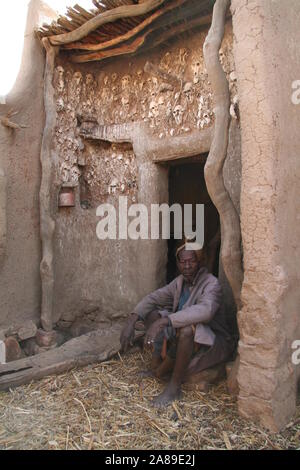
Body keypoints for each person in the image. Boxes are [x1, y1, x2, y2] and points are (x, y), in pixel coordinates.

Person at [120, 241, 234, 408]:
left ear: (200, 262)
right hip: (183, 341)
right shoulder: (179, 282)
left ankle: (174, 387)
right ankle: (156, 367)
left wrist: (166, 321)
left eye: (191, 261)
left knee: (187, 329)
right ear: (178, 263)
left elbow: (206, 311)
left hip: (211, 342)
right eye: (183, 261)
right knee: (152, 314)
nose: (187, 266)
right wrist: (132, 320)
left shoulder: (211, 283)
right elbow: (153, 298)